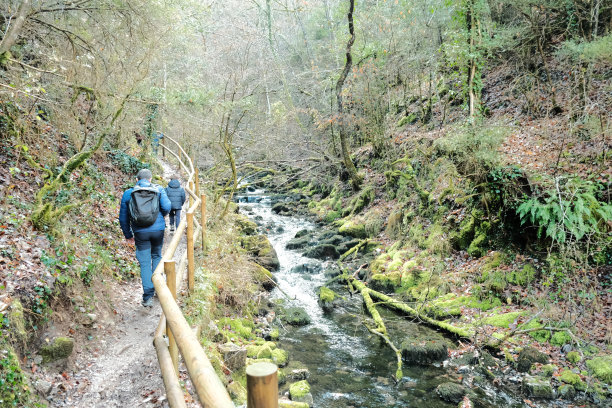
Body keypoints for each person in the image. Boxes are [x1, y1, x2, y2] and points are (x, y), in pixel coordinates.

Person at [119, 169, 171, 307]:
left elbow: (123, 218)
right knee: (156, 256)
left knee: (145, 263)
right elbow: (167, 206)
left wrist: (128, 235)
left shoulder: (128, 193)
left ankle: (148, 296)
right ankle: (159, 290)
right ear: (151, 178)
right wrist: (161, 216)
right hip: (158, 230)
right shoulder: (159, 189)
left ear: (137, 180)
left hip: (140, 232)